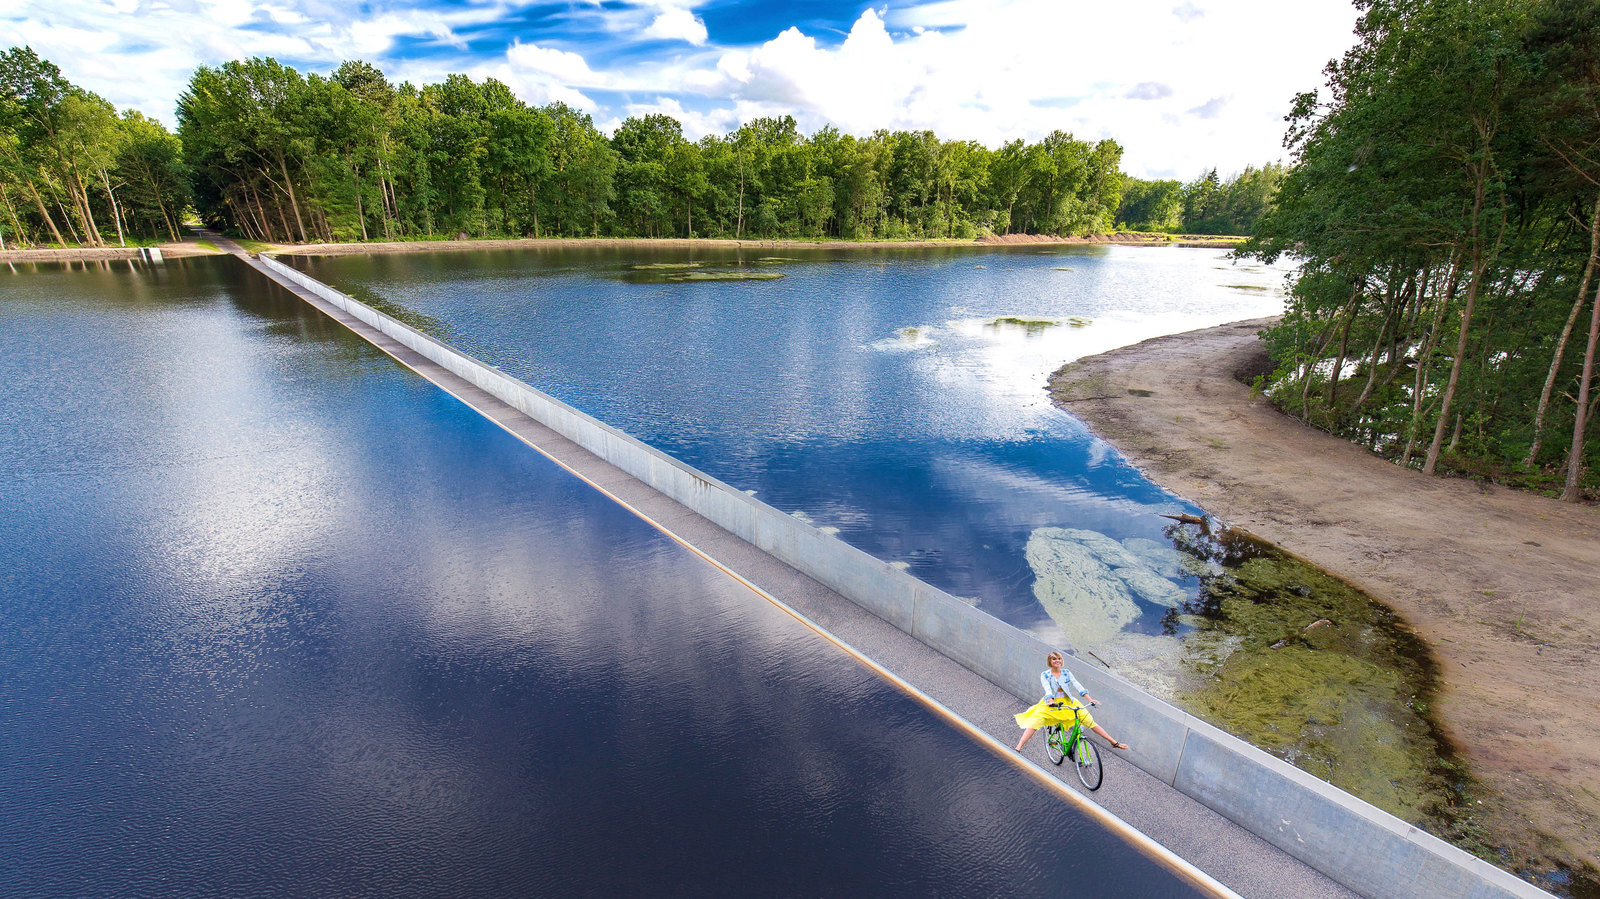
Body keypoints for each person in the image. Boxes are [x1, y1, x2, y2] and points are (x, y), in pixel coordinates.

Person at [1014, 651, 1129, 752]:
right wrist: (1050, 700)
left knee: (1090, 722)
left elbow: (1077, 685)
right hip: (1051, 703)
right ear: (1050, 661)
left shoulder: (1066, 673)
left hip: (1068, 702)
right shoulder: (1045, 675)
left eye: (1059, 658)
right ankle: (1019, 747)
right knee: (1034, 723)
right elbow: (1047, 688)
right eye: (1054, 659)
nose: (1057, 660)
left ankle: (1113, 742)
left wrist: (1089, 699)